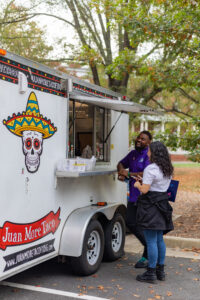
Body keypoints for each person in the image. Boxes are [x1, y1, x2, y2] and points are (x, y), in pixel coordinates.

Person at [134, 141, 174, 284]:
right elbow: (158, 185)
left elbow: (145, 190)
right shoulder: (168, 168)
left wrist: (138, 184)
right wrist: (144, 181)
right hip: (162, 204)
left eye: (149, 151)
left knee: (151, 240)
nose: (148, 153)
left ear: (154, 153)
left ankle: (150, 273)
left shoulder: (150, 168)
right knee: (159, 239)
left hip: (150, 206)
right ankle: (160, 271)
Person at [117, 131, 152, 268]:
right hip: (133, 195)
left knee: (144, 225)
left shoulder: (149, 155)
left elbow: (148, 173)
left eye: (143, 139)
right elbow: (120, 163)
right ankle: (149, 247)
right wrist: (121, 171)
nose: (139, 140)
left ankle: (146, 256)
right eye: (138, 137)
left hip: (145, 196)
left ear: (148, 142)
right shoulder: (132, 154)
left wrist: (129, 173)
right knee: (130, 222)